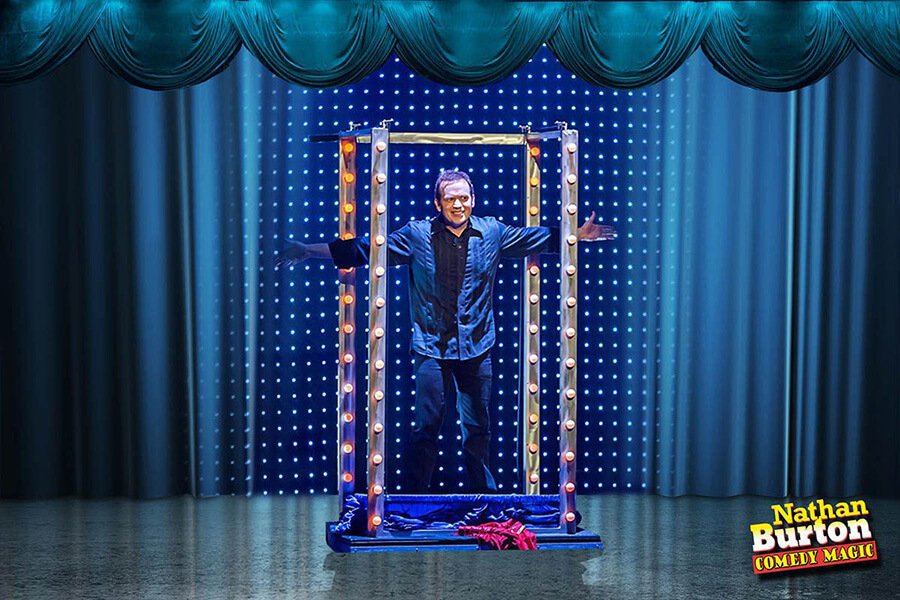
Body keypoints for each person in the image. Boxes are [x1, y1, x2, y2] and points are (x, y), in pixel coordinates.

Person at [277, 170, 616, 493]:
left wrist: (576, 233)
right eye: (451, 199)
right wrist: (308, 250)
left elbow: (536, 238)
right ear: (438, 203)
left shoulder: (492, 232)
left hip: (477, 347)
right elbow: (365, 249)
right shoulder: (417, 234)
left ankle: (483, 497)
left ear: (473, 200)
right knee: (426, 428)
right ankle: (414, 498)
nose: (458, 205)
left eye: (464, 198)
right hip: (431, 347)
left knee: (478, 427)